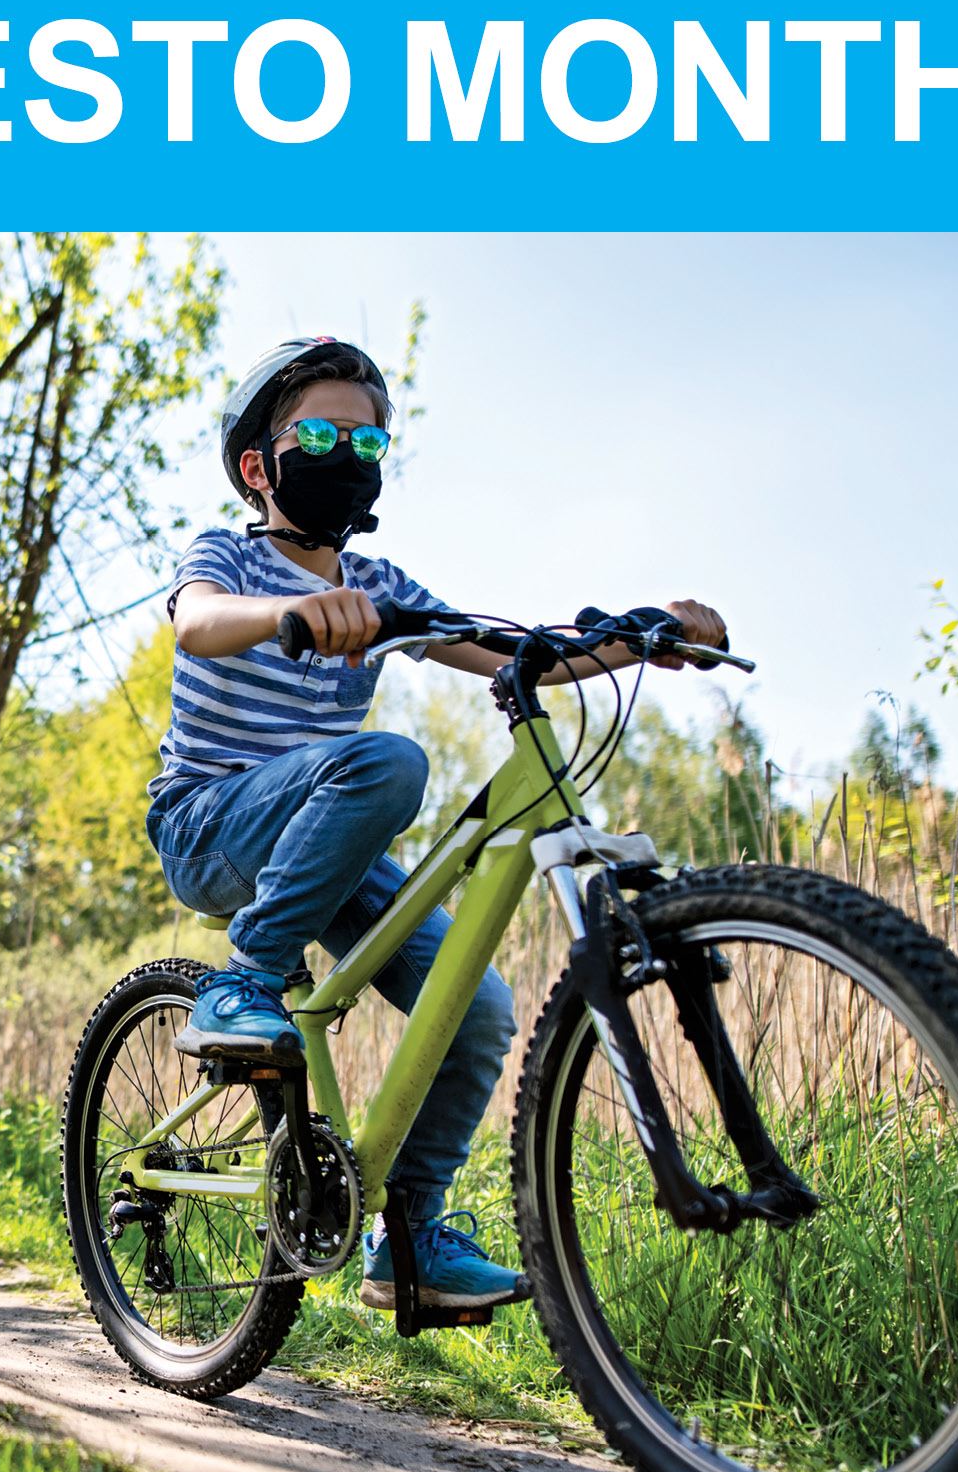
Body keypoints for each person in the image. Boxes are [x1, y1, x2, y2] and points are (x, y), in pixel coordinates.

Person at [150, 336, 727, 1314]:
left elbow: (513, 651)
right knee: (392, 760)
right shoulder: (229, 555)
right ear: (259, 465)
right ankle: (244, 984)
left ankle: (406, 1234)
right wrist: (294, 608)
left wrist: (636, 636)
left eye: (368, 439)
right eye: (322, 433)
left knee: (482, 1008)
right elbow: (197, 619)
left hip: (325, 835)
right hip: (210, 826)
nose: (349, 454)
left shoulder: (385, 585)